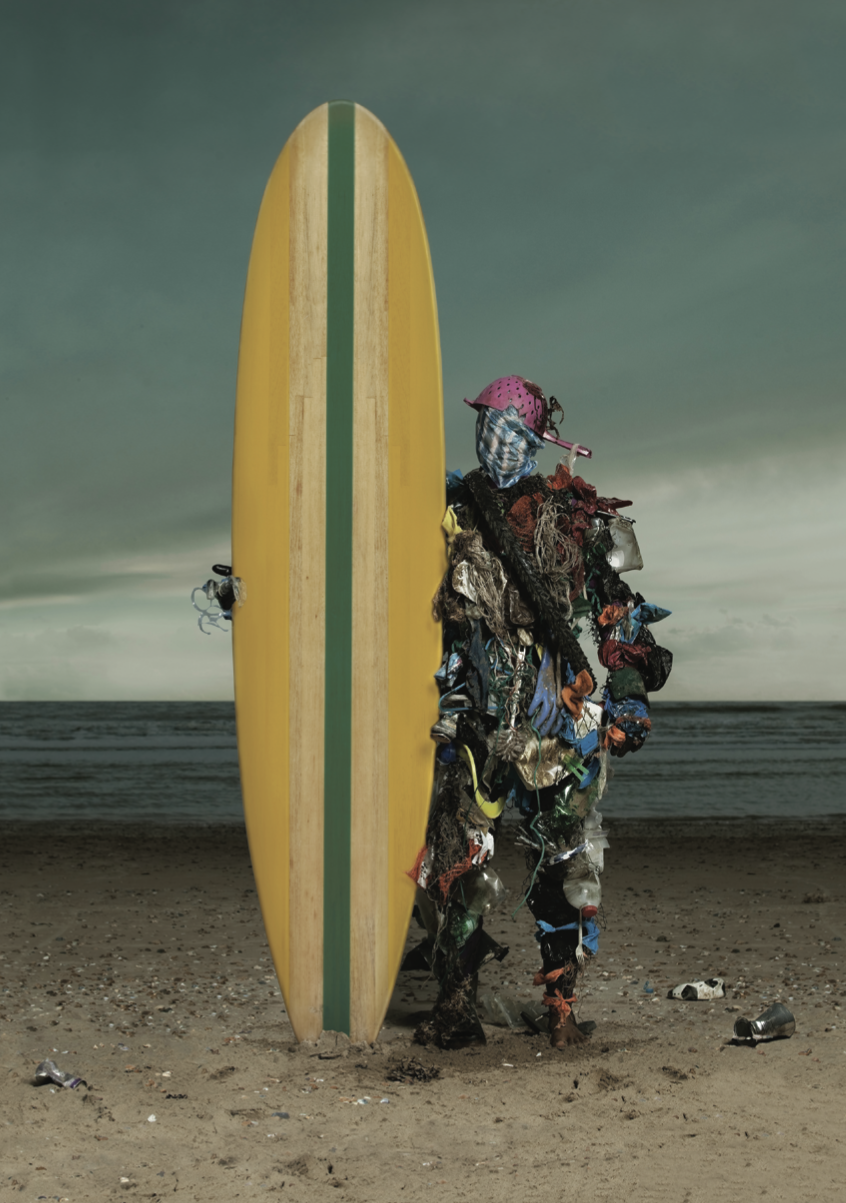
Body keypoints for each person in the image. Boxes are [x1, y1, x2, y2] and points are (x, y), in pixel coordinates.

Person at [411, 376, 672, 1051]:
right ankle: (458, 1002)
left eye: (507, 432)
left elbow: (619, 607)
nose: (493, 443)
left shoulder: (567, 520)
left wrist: (629, 696)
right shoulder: (452, 510)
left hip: (553, 722)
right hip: (474, 719)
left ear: (532, 441)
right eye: (485, 429)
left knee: (566, 860)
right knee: (455, 861)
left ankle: (560, 1005)